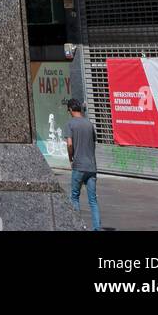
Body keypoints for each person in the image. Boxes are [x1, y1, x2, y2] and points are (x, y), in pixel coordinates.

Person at [66, 97, 102, 231]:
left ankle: (77, 226)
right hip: (92, 167)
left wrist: (71, 158)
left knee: (74, 197)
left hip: (79, 166)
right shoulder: (89, 124)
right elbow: (93, 142)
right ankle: (97, 228)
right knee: (93, 200)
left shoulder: (70, 124)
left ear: (70, 109)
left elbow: (69, 144)